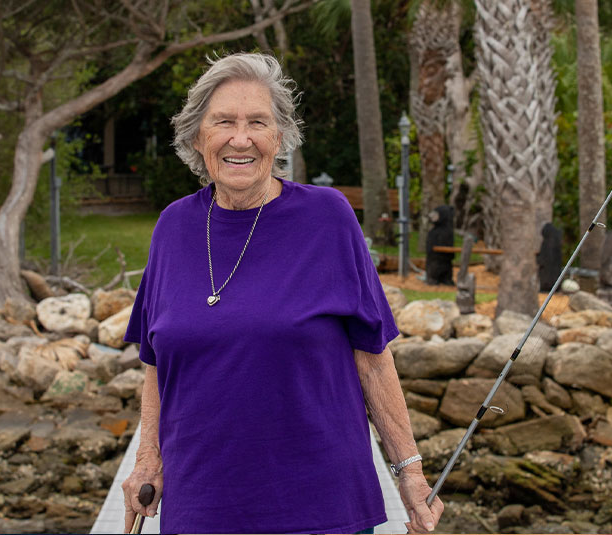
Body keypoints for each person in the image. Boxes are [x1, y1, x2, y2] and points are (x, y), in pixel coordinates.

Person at [121, 52, 444, 534]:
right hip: (200, 505)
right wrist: (148, 456)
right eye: (223, 122)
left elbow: (374, 358)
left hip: (320, 505)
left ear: (280, 137)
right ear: (196, 135)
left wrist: (410, 474)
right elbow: (156, 360)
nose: (240, 138)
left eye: (258, 122)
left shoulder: (328, 218)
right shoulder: (173, 227)